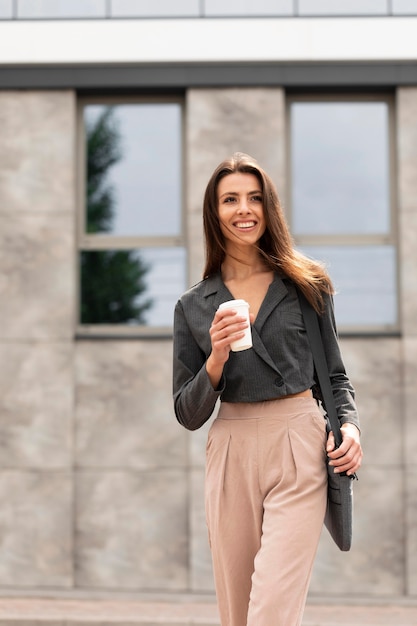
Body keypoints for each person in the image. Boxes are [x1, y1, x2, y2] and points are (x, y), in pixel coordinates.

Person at [172, 152, 362, 626]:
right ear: (213, 213)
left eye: (254, 198)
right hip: (231, 446)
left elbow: (334, 376)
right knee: (238, 614)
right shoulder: (194, 305)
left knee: (271, 612)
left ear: (269, 206)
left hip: (299, 440)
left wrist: (352, 427)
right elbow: (186, 411)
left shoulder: (307, 284)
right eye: (230, 199)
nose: (244, 209)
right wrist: (215, 358)